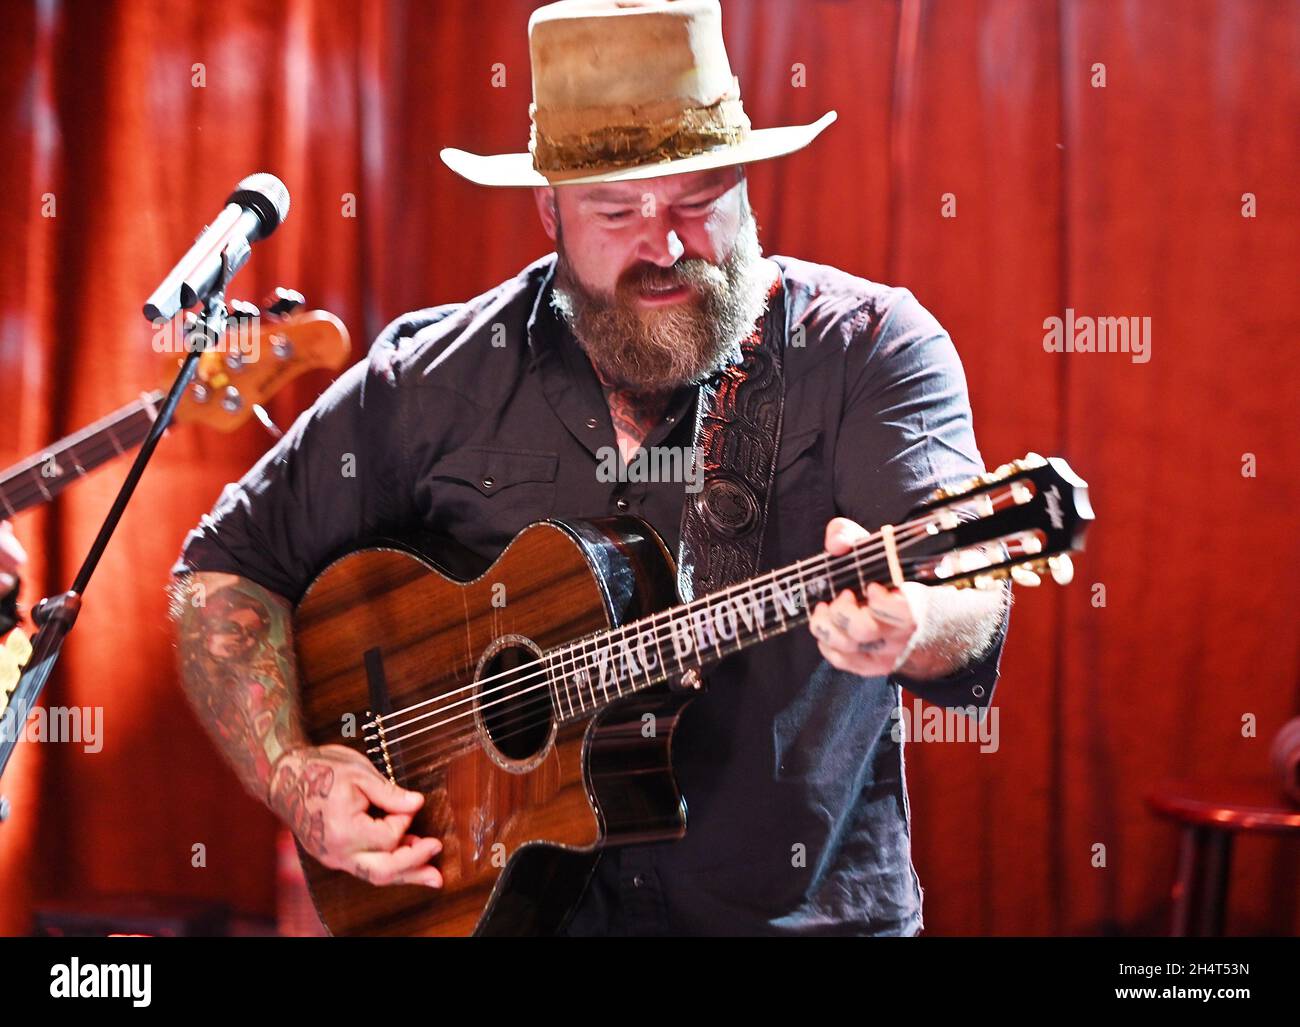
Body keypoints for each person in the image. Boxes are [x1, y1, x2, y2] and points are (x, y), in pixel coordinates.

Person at [170, 0, 1009, 936]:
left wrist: (915, 621)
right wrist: (292, 774)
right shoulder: (429, 377)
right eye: (616, 212)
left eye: (699, 198)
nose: (666, 245)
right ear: (549, 212)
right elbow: (223, 569)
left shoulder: (868, 351)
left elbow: (967, 590)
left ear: (746, 184)